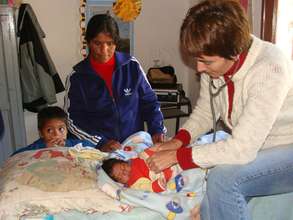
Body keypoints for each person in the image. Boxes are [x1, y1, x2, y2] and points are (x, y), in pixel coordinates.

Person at [146, 0, 293, 219]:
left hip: (287, 145)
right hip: (257, 145)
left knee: (222, 179)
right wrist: (177, 141)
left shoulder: (270, 68)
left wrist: (178, 156)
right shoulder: (215, 63)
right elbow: (205, 111)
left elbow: (242, 149)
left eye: (207, 62)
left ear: (234, 53)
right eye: (197, 59)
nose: (199, 68)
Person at [64, 14, 165, 153]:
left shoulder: (132, 66)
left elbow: (150, 102)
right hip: (98, 151)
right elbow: (72, 121)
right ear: (88, 42)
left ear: (116, 42)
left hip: (134, 146)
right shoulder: (77, 77)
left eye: (109, 43)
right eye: (97, 43)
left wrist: (157, 130)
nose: (104, 50)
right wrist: (100, 142)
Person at [12, 106, 95, 155]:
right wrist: (44, 148)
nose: (56, 134)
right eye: (49, 130)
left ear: (67, 130)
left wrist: (67, 144)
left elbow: (92, 147)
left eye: (61, 129)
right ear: (41, 133)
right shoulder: (38, 146)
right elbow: (16, 155)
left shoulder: (72, 144)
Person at [102, 148, 182, 193]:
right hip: (166, 172)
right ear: (120, 182)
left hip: (165, 157)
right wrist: (158, 185)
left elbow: (145, 155)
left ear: (125, 162)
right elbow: (147, 188)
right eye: (120, 176)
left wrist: (148, 152)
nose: (124, 172)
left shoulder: (135, 159)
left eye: (123, 167)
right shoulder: (134, 183)